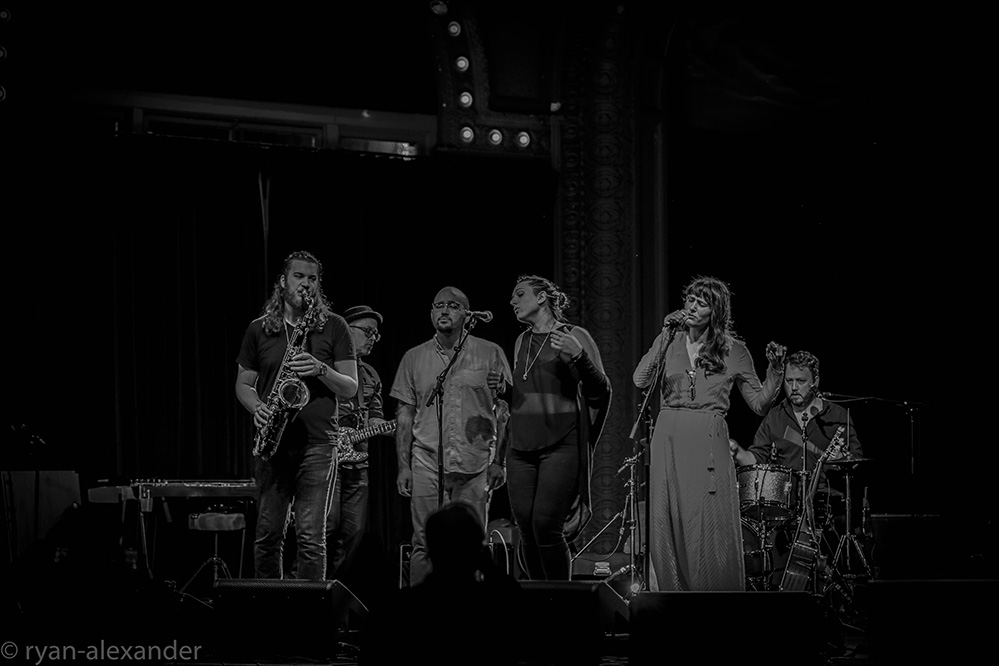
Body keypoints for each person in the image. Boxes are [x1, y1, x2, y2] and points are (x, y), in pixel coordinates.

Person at [633, 275, 784, 591]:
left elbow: (758, 404)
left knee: (703, 519)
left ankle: (711, 594)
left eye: (702, 302)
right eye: (690, 298)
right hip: (668, 437)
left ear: (715, 311)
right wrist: (663, 335)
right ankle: (670, 597)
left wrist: (775, 375)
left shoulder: (735, 351)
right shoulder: (671, 342)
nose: (692, 306)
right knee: (668, 517)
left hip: (705, 438)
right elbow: (640, 380)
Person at [235, 250, 358, 579]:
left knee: (310, 537)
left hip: (318, 444)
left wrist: (321, 369)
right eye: (299, 277)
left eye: (313, 278)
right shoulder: (259, 330)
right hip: (273, 443)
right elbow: (243, 384)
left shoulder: (335, 326)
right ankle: (269, 614)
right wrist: (256, 407)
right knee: (267, 536)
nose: (306, 284)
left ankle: (310, 621)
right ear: (282, 281)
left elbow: (350, 387)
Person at [390, 286, 512, 586]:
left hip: (475, 463)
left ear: (466, 314)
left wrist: (499, 461)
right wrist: (404, 466)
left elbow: (505, 410)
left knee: (472, 544)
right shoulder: (413, 357)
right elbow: (404, 415)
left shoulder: (490, 352)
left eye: (453, 306)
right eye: (438, 306)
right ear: (431, 313)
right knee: (422, 542)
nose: (444, 311)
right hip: (427, 462)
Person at [492, 274, 612, 580]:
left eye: (519, 294)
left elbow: (601, 391)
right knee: (527, 529)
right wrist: (506, 390)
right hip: (521, 447)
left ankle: (562, 602)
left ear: (542, 297)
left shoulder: (573, 335)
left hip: (561, 443)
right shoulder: (522, 340)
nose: (512, 301)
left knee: (546, 525)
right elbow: (528, 393)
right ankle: (538, 600)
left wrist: (580, 356)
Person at [360, 501, 521, 666]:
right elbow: (520, 614)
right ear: (480, 552)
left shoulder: (395, 609)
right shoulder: (494, 606)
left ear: (429, 550)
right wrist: (490, 568)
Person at [324, 305, 391, 583]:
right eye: (367, 331)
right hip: (327, 462)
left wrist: (388, 426)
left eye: (376, 334)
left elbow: (375, 416)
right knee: (324, 529)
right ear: (345, 331)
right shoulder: (326, 367)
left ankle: (337, 598)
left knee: (352, 537)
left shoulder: (372, 375)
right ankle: (308, 593)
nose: (373, 338)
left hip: (358, 464)